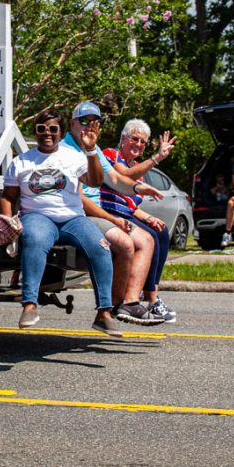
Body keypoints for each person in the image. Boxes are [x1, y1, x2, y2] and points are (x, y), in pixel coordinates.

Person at [0, 109, 125, 336]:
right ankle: (30, 305)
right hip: (38, 216)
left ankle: (104, 313)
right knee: (35, 240)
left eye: (53, 129)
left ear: (61, 132)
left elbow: (96, 182)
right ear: (35, 132)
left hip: (73, 219)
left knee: (101, 246)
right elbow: (8, 197)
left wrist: (90, 151)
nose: (47, 133)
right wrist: (9, 223)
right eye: (41, 129)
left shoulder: (74, 157)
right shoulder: (21, 161)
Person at [60, 103, 166, 326]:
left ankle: (129, 302)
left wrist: (138, 188)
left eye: (94, 122)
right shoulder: (65, 151)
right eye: (84, 121)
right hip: (80, 214)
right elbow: (80, 199)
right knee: (125, 243)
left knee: (148, 239)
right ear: (72, 124)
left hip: (98, 213)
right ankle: (111, 307)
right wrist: (113, 219)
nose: (90, 126)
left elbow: (117, 179)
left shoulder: (94, 149)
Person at [100, 119, 177, 323]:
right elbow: (123, 176)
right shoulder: (110, 154)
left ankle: (152, 297)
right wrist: (157, 158)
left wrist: (150, 217)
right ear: (123, 139)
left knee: (161, 231)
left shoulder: (140, 173)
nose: (139, 144)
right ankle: (134, 299)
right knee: (149, 237)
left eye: (143, 142)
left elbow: (132, 208)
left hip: (125, 214)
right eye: (135, 139)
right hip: (108, 212)